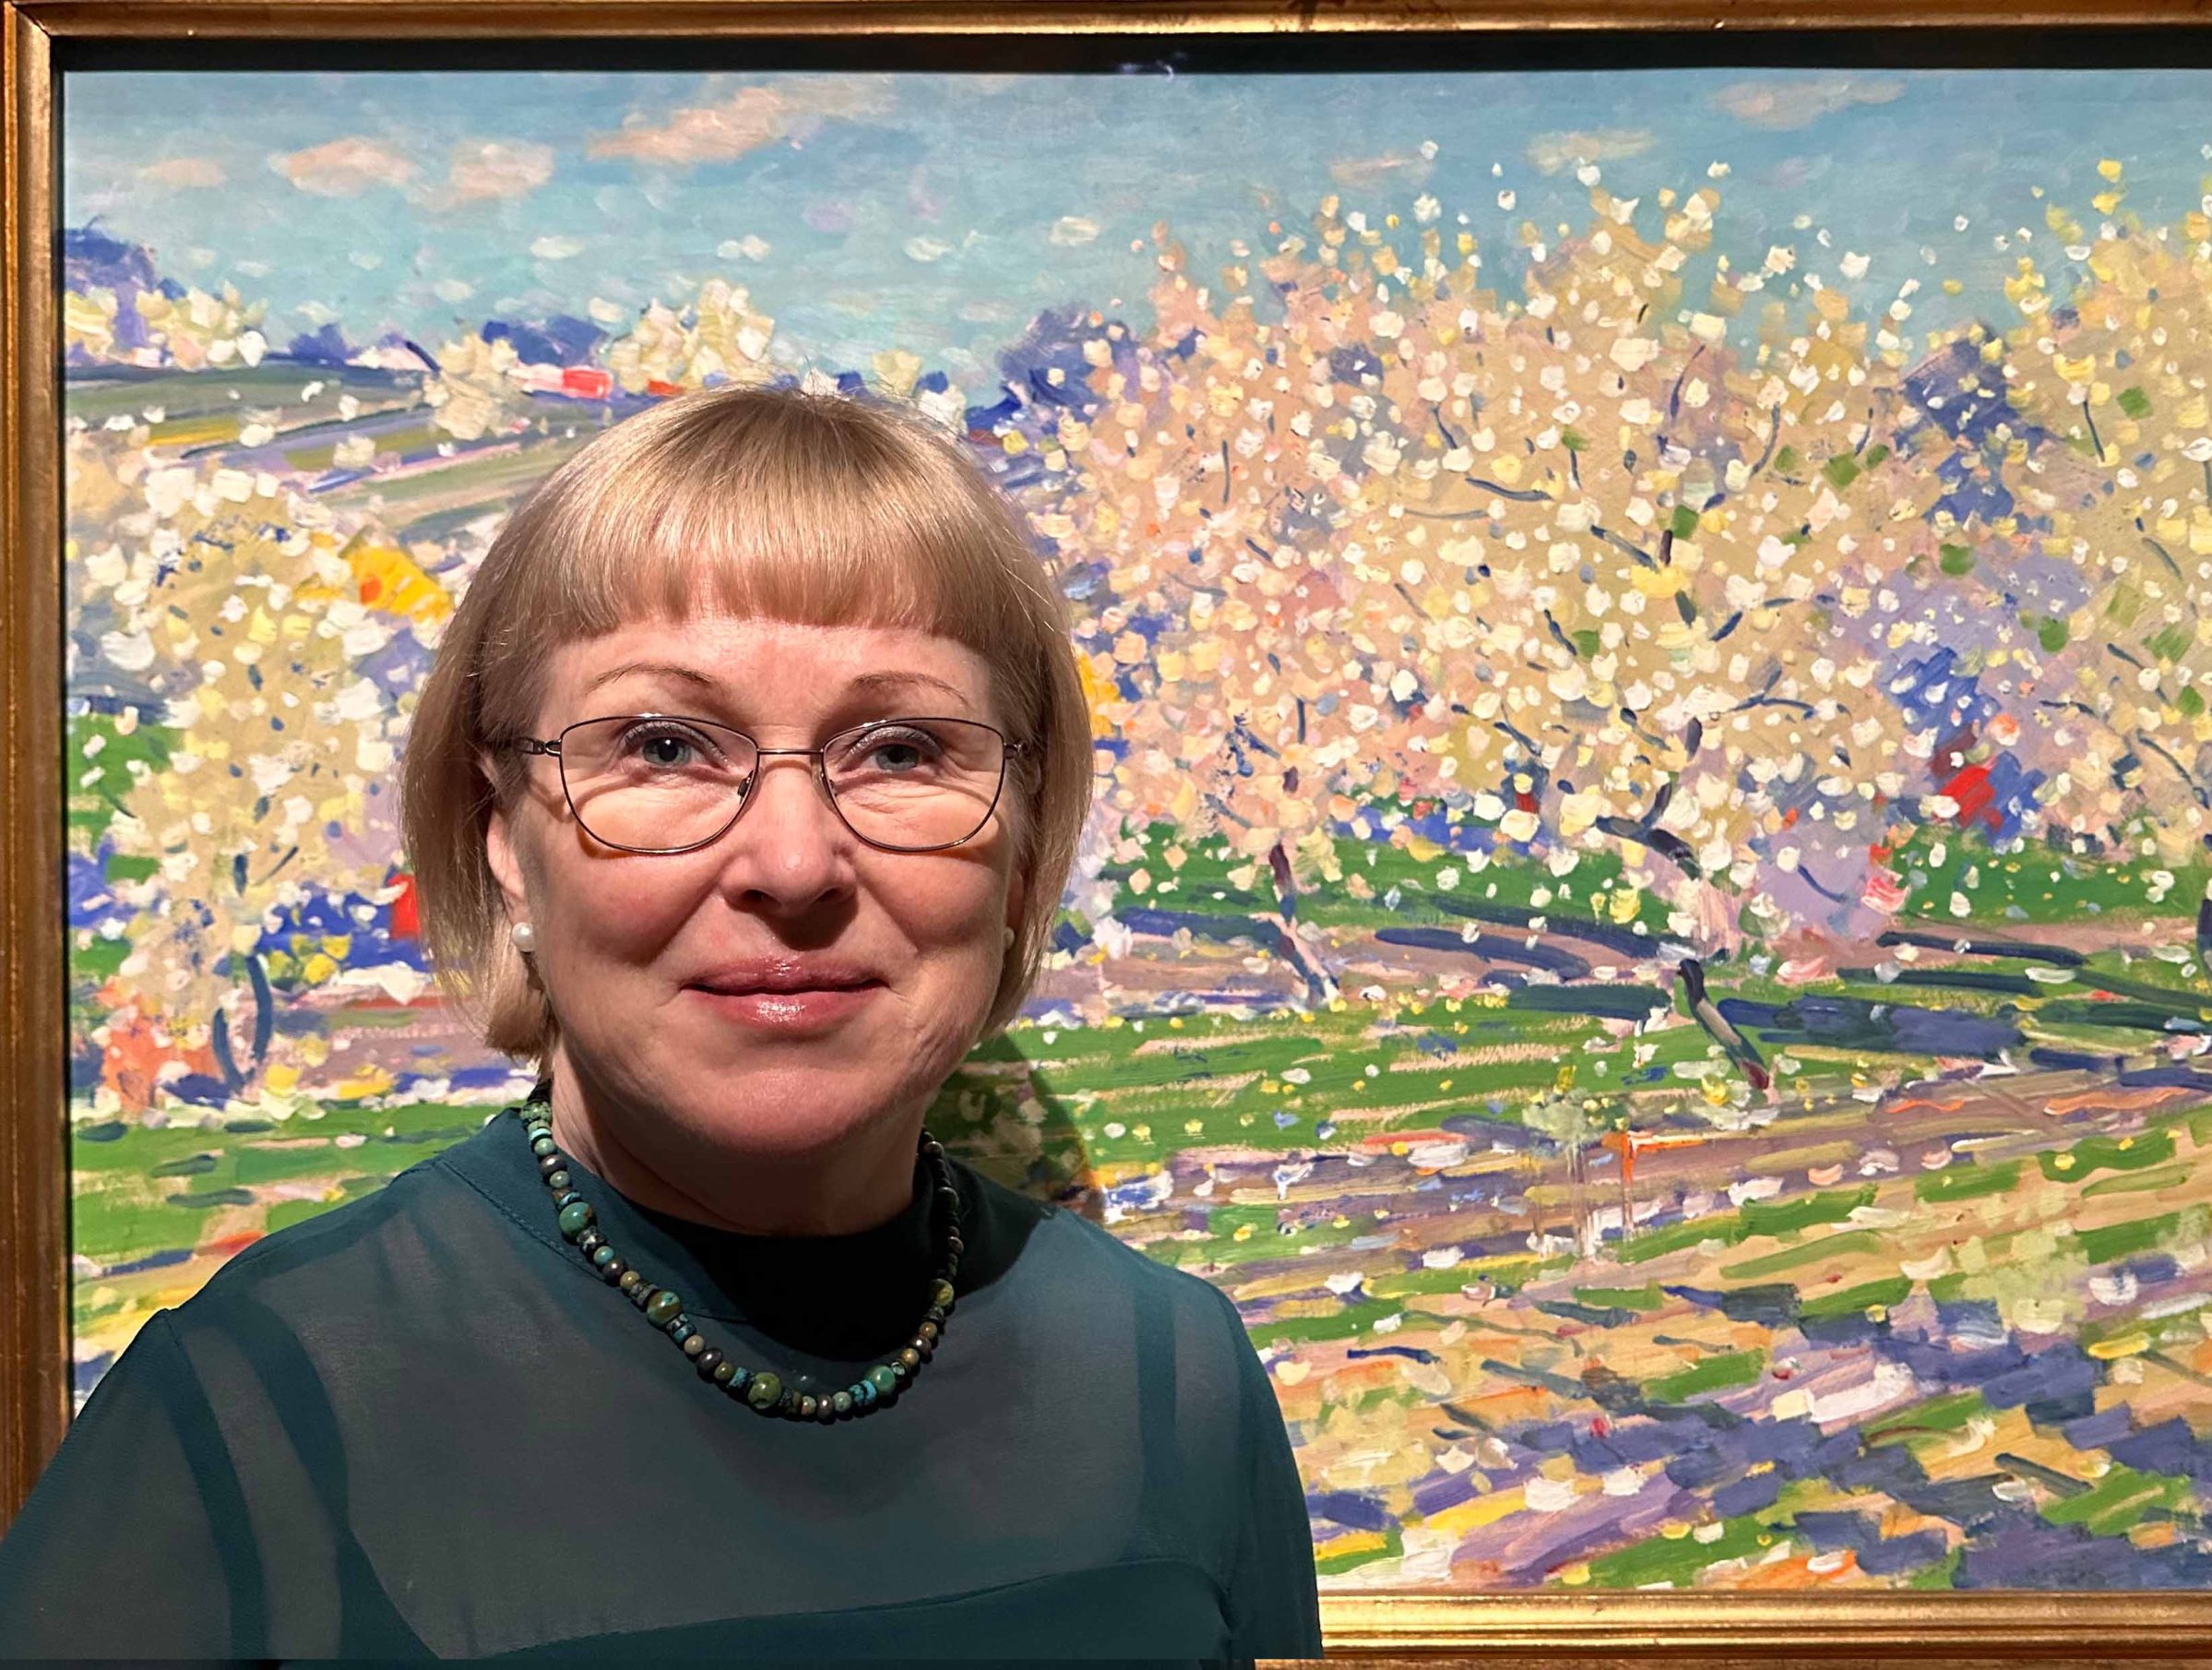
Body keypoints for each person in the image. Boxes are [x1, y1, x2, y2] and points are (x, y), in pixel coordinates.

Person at [0, 384, 1324, 1660]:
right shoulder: (254, 1415)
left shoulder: (1174, 1380)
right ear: (502, 839)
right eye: (666, 747)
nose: (793, 863)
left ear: (1024, 846)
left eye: (901, 750)